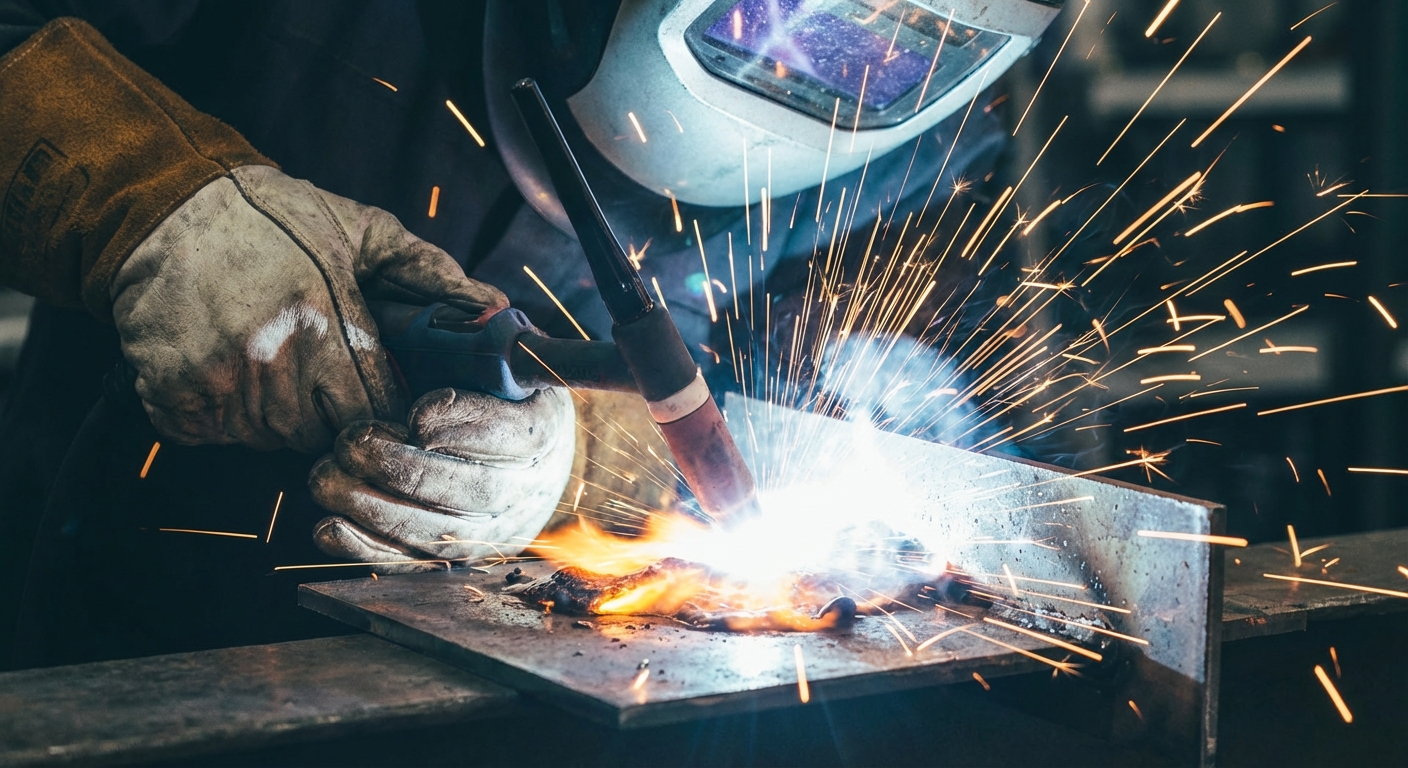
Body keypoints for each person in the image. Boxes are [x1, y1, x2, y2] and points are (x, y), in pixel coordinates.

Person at [0, 0, 1060, 667]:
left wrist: (598, 462)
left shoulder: (920, 157)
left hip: (519, 701)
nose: (804, 52)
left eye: (878, 47)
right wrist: (140, 197)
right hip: (93, 631)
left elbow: (880, 425)